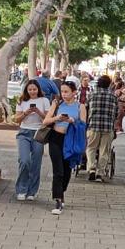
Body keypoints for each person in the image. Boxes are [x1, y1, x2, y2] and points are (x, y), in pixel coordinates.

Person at [41, 80, 86, 215]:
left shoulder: (80, 106)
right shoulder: (57, 104)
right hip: (56, 138)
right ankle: (58, 200)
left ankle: (62, 191)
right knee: (58, 171)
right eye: (62, 91)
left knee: (66, 171)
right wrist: (57, 118)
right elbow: (45, 121)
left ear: (74, 92)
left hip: (70, 140)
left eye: (67, 92)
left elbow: (83, 124)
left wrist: (73, 121)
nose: (64, 94)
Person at [12, 80, 48, 201]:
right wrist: (25, 113)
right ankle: (21, 189)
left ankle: (32, 191)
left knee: (36, 163)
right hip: (24, 132)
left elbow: (48, 119)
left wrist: (39, 112)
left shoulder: (44, 101)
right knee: (24, 160)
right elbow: (17, 119)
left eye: (34, 89)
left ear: (38, 89)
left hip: (38, 133)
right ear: (26, 90)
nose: (32, 92)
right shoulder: (22, 101)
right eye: (30, 89)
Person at [85, 75, 117, 182]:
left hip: (93, 125)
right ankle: (100, 172)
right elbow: (116, 114)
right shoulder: (113, 97)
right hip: (107, 127)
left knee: (91, 148)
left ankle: (92, 169)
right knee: (104, 150)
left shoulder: (92, 95)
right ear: (109, 84)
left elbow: (86, 110)